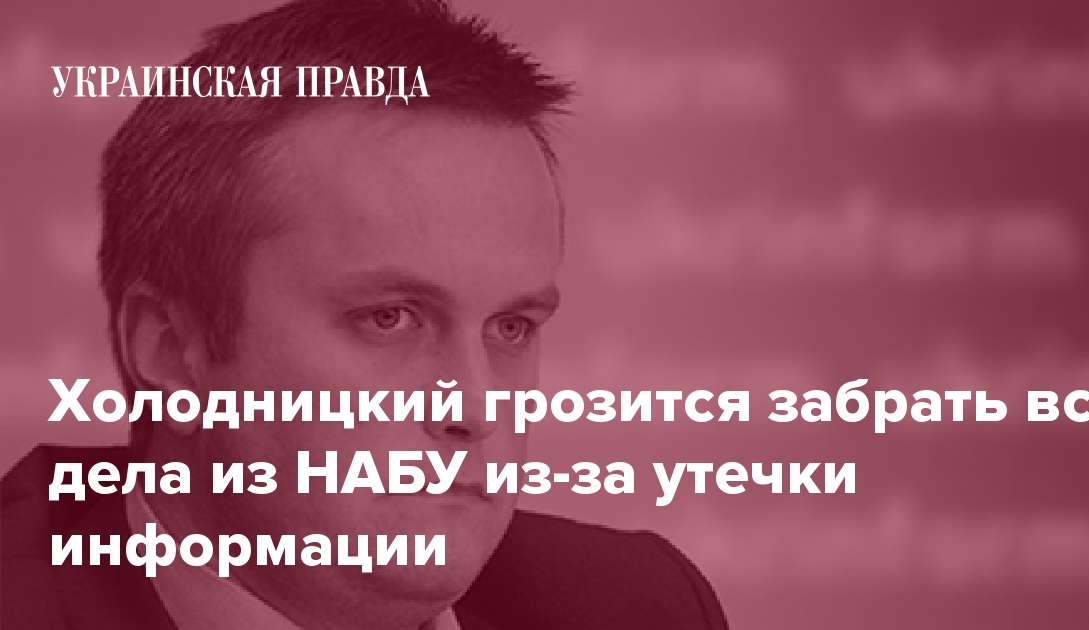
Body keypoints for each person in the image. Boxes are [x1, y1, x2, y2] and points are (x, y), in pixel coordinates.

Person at [1, 1, 729, 628]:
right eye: (390, 318)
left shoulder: (637, 609)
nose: (476, 410)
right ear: (170, 349)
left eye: (512, 328)